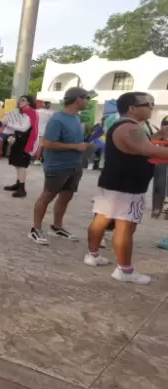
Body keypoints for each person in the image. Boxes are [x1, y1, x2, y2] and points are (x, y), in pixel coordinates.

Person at [85, 93, 168, 284]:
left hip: (113, 182)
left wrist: (156, 136)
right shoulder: (130, 127)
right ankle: (124, 269)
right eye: (149, 104)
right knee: (126, 226)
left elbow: (141, 145)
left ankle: (93, 255)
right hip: (128, 186)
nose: (152, 107)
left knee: (101, 219)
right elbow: (149, 150)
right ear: (132, 108)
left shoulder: (125, 126)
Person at [30, 87, 91, 245]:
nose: (88, 101)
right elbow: (48, 143)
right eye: (87, 98)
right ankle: (35, 229)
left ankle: (57, 226)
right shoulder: (58, 119)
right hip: (57, 165)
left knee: (66, 196)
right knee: (47, 196)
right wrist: (75, 147)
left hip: (74, 165)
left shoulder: (76, 118)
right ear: (78, 99)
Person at [3, 95, 38, 198]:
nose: (20, 101)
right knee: (18, 163)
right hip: (20, 139)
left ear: (29, 102)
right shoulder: (22, 113)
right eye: (20, 99)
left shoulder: (31, 113)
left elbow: (23, 128)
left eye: (23, 100)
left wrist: (9, 124)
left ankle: (22, 189)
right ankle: (19, 184)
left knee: (22, 165)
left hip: (26, 141)